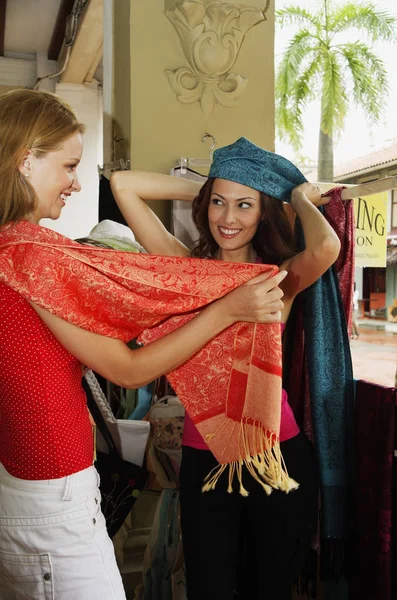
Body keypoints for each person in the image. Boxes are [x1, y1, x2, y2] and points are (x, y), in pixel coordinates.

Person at [0, 91, 286, 600]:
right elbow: (129, 371)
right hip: (52, 496)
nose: (76, 181)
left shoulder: (18, 248)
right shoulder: (33, 255)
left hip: (33, 483)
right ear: (26, 161)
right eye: (68, 165)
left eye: (244, 203)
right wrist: (225, 310)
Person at [110, 137, 341, 600]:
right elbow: (123, 184)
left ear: (263, 213)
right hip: (206, 462)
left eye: (244, 205)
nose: (228, 218)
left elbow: (327, 246)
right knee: (210, 589)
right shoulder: (185, 269)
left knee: (268, 590)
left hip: (278, 459)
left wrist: (293, 195)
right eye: (218, 202)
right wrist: (219, 183)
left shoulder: (278, 277)